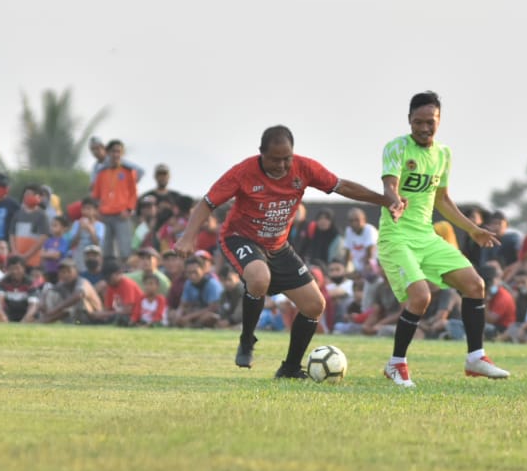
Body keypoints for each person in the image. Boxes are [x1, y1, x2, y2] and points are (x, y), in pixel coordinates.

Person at [176, 123, 403, 379]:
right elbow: (207, 203)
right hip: (240, 238)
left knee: (314, 305)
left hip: (278, 245)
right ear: (261, 153)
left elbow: (342, 186)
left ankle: (290, 368)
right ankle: (247, 339)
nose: (282, 165)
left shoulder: (304, 168)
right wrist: (188, 237)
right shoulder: (243, 172)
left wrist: (384, 199)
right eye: (275, 159)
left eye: (287, 158)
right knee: (259, 277)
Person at [376, 92, 510, 386]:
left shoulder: (443, 154)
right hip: (396, 237)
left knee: (475, 285)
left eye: (430, 122)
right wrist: (394, 200)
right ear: (409, 120)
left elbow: (443, 199)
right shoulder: (396, 148)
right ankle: (396, 363)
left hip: (427, 236)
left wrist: (472, 229)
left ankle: (475, 358)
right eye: (418, 122)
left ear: (439, 120)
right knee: (421, 297)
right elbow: (390, 186)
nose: (424, 128)